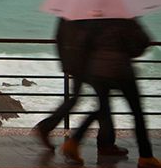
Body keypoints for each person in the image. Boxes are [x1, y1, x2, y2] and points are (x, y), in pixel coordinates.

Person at [60, 17, 161, 168]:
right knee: (137, 113)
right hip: (121, 70)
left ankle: (74, 142)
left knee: (102, 108)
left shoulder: (95, 19)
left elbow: (84, 44)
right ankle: (146, 156)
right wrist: (128, 51)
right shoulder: (126, 17)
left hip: (97, 71)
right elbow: (143, 41)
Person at [32, 18, 128, 158]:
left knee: (81, 99)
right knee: (103, 102)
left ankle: (47, 127)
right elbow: (91, 38)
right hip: (90, 63)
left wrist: (66, 61)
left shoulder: (72, 9)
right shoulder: (91, 12)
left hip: (78, 61)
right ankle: (103, 144)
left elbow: (60, 36)